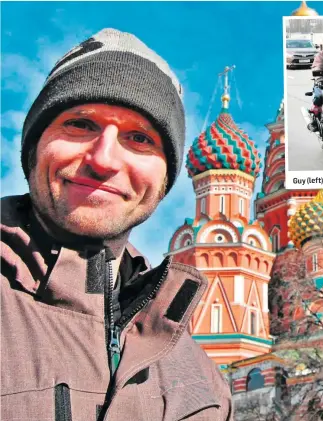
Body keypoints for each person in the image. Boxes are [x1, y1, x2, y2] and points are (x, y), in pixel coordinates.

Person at [1, 28, 233, 421]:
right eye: (80, 124)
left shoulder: (201, 381)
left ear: (164, 178)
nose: (104, 159)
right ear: (34, 144)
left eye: (140, 137)